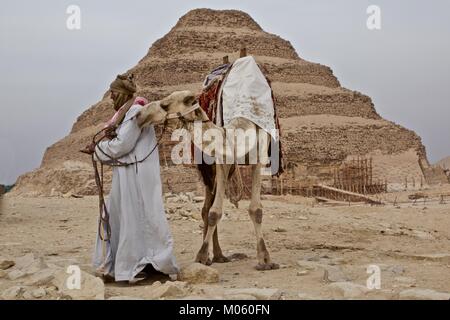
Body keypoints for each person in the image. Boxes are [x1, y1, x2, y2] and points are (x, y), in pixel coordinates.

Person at [85, 73, 179, 283]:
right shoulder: (124, 114)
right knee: (127, 217)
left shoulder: (135, 112)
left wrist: (97, 148)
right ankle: (135, 265)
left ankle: (141, 265)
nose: (110, 97)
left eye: (113, 93)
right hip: (128, 174)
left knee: (137, 218)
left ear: (123, 93)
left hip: (136, 177)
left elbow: (122, 145)